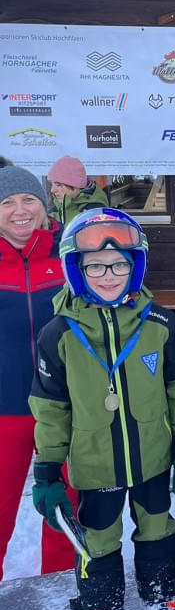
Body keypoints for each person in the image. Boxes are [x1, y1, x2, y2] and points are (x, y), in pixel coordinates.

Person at [29, 208, 175, 610]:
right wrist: (47, 471)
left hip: (153, 457)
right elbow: (51, 409)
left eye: (120, 264)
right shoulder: (58, 334)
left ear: (135, 266)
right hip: (93, 465)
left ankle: (160, 597)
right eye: (96, 266)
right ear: (77, 269)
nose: (109, 275)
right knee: (99, 538)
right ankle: (105, 605)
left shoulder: (160, 325)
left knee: (158, 527)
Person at [0, 165, 75, 580]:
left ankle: (62, 587)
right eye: (7, 203)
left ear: (44, 205)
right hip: (5, 408)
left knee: (65, 504)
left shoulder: (70, 253)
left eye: (28, 199)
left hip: (64, 405)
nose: (19, 210)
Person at [46, 155, 109, 229]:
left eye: (58, 185)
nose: (52, 190)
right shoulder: (56, 207)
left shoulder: (94, 213)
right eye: (52, 184)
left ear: (75, 185)